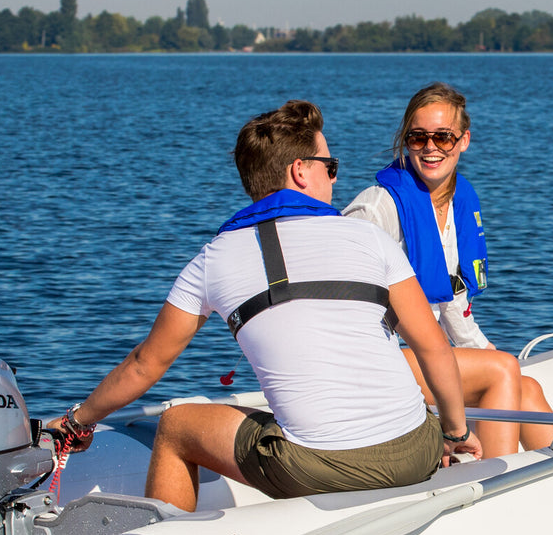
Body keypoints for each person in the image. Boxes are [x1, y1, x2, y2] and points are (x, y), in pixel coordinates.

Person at [46, 99, 481, 512]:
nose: (335, 179)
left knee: (176, 426)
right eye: (330, 167)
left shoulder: (213, 258)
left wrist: (78, 421)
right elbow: (434, 349)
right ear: (300, 171)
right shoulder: (372, 239)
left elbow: (146, 364)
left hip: (313, 468)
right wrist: (456, 434)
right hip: (416, 451)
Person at [343, 82, 553, 457]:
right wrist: (496, 364)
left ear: (464, 140)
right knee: (501, 370)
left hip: (421, 357)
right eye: (418, 137)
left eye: (443, 137)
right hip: (374, 360)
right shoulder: (378, 206)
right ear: (405, 141)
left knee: (526, 387)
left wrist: (486, 352)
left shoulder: (457, 207)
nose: (431, 148)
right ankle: (495, 484)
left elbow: (452, 305)